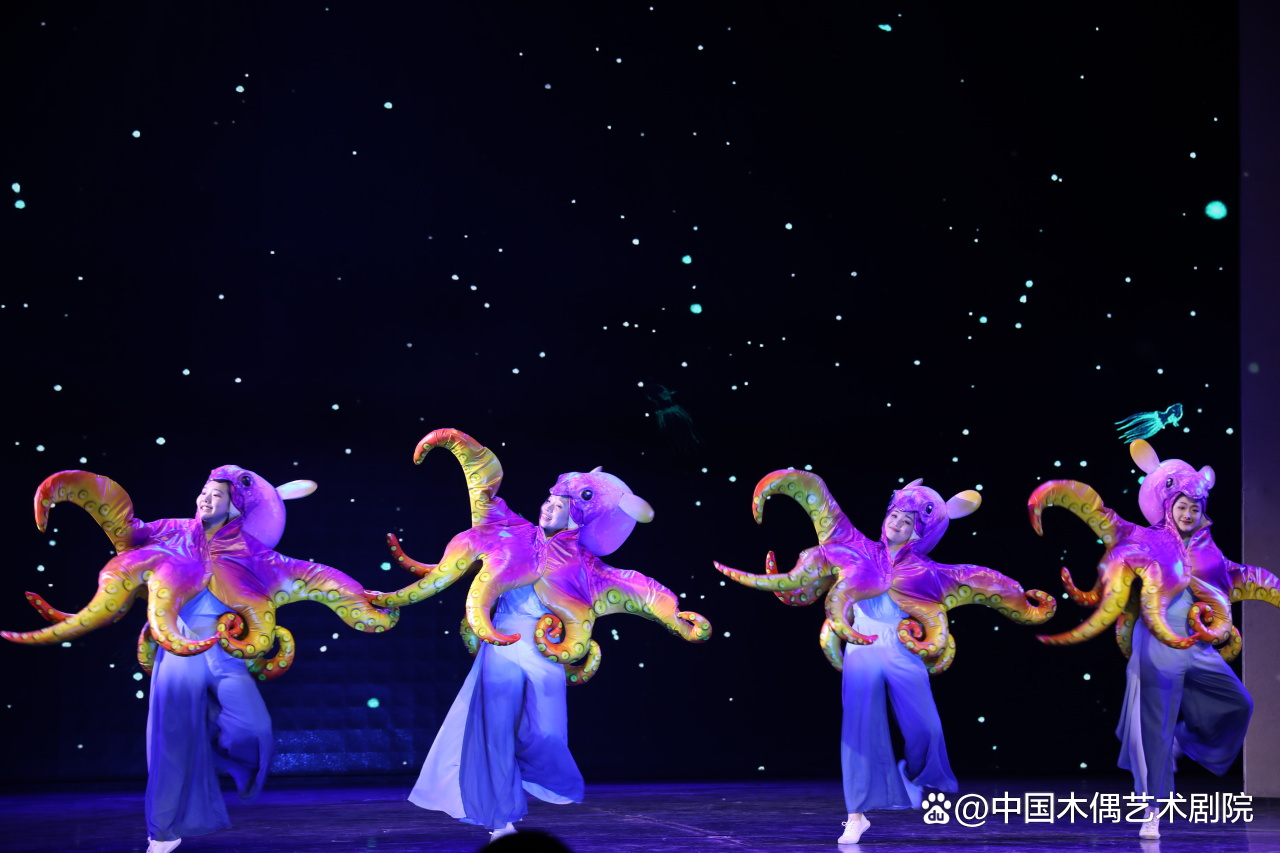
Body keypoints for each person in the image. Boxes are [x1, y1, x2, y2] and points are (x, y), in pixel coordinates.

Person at [716, 471, 1054, 845]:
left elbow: (980, 580)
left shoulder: (930, 573)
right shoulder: (856, 546)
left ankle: (913, 774)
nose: (896, 523)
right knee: (858, 730)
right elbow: (819, 510)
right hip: (861, 646)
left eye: (907, 521)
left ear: (920, 532)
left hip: (902, 647)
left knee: (927, 727)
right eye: (894, 515)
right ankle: (855, 816)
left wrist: (1025, 601)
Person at [409, 494, 584, 839]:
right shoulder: (519, 533)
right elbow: (488, 500)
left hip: (546, 643)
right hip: (504, 637)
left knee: (547, 732)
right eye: (548, 502)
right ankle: (501, 819)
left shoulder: (579, 555)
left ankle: (529, 775)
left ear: (573, 517)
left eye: (558, 506)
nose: (548, 508)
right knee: (496, 730)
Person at [142, 478, 274, 853]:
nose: (205, 498)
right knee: (172, 739)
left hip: (223, 647)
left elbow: (296, 573)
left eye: (216, 495)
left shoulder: (248, 548)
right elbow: (131, 532)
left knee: (254, 727)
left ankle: (215, 747)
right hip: (181, 641)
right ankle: (162, 832)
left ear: (233, 507)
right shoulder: (175, 531)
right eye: (203, 492)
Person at [1116, 491, 1253, 840]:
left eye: (1195, 508)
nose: (1188, 514)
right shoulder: (1153, 540)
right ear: (1169, 509)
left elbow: (1235, 575)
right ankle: (1152, 812)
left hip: (1197, 643)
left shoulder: (1209, 550)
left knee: (1239, 703)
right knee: (1156, 728)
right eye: (1181, 507)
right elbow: (1117, 534)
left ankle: (1186, 740)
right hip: (1159, 641)